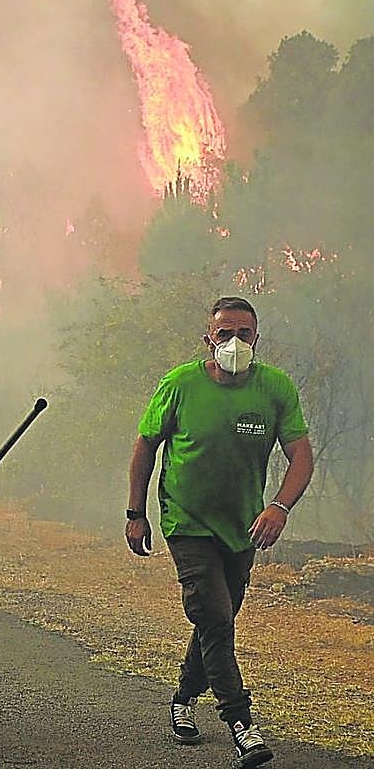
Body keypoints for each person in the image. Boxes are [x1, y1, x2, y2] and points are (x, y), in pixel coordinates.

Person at [127, 296, 313, 768]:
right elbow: (146, 445)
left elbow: (301, 456)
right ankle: (241, 724)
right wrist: (136, 512)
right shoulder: (180, 384)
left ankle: (183, 698)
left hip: (243, 527)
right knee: (214, 615)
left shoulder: (275, 388)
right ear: (208, 339)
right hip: (186, 521)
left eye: (243, 334)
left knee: (218, 618)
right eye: (224, 333)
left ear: (257, 339)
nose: (234, 342)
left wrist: (279, 507)